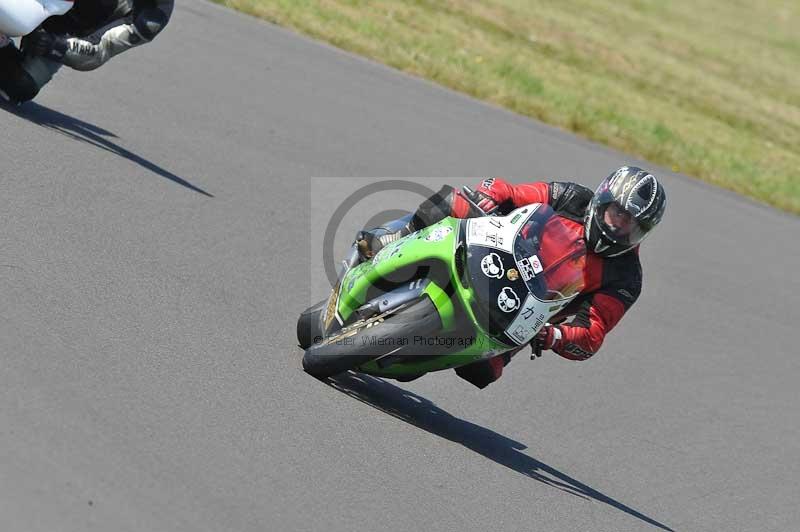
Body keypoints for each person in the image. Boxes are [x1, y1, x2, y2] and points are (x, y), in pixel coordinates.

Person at [357, 166, 667, 388]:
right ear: (602, 201)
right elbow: (510, 191)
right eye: (619, 214)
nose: (620, 227)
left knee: (481, 371)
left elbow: (591, 334)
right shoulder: (570, 196)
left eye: (632, 225)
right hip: (491, 255)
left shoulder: (625, 278)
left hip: (522, 317)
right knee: (455, 203)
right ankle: (394, 239)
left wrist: (553, 336)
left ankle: (421, 354)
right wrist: (488, 196)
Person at [0, 0, 174, 104]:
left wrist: (57, 46)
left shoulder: (153, 15)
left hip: (61, 31)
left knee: (20, 86)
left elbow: (100, 51)